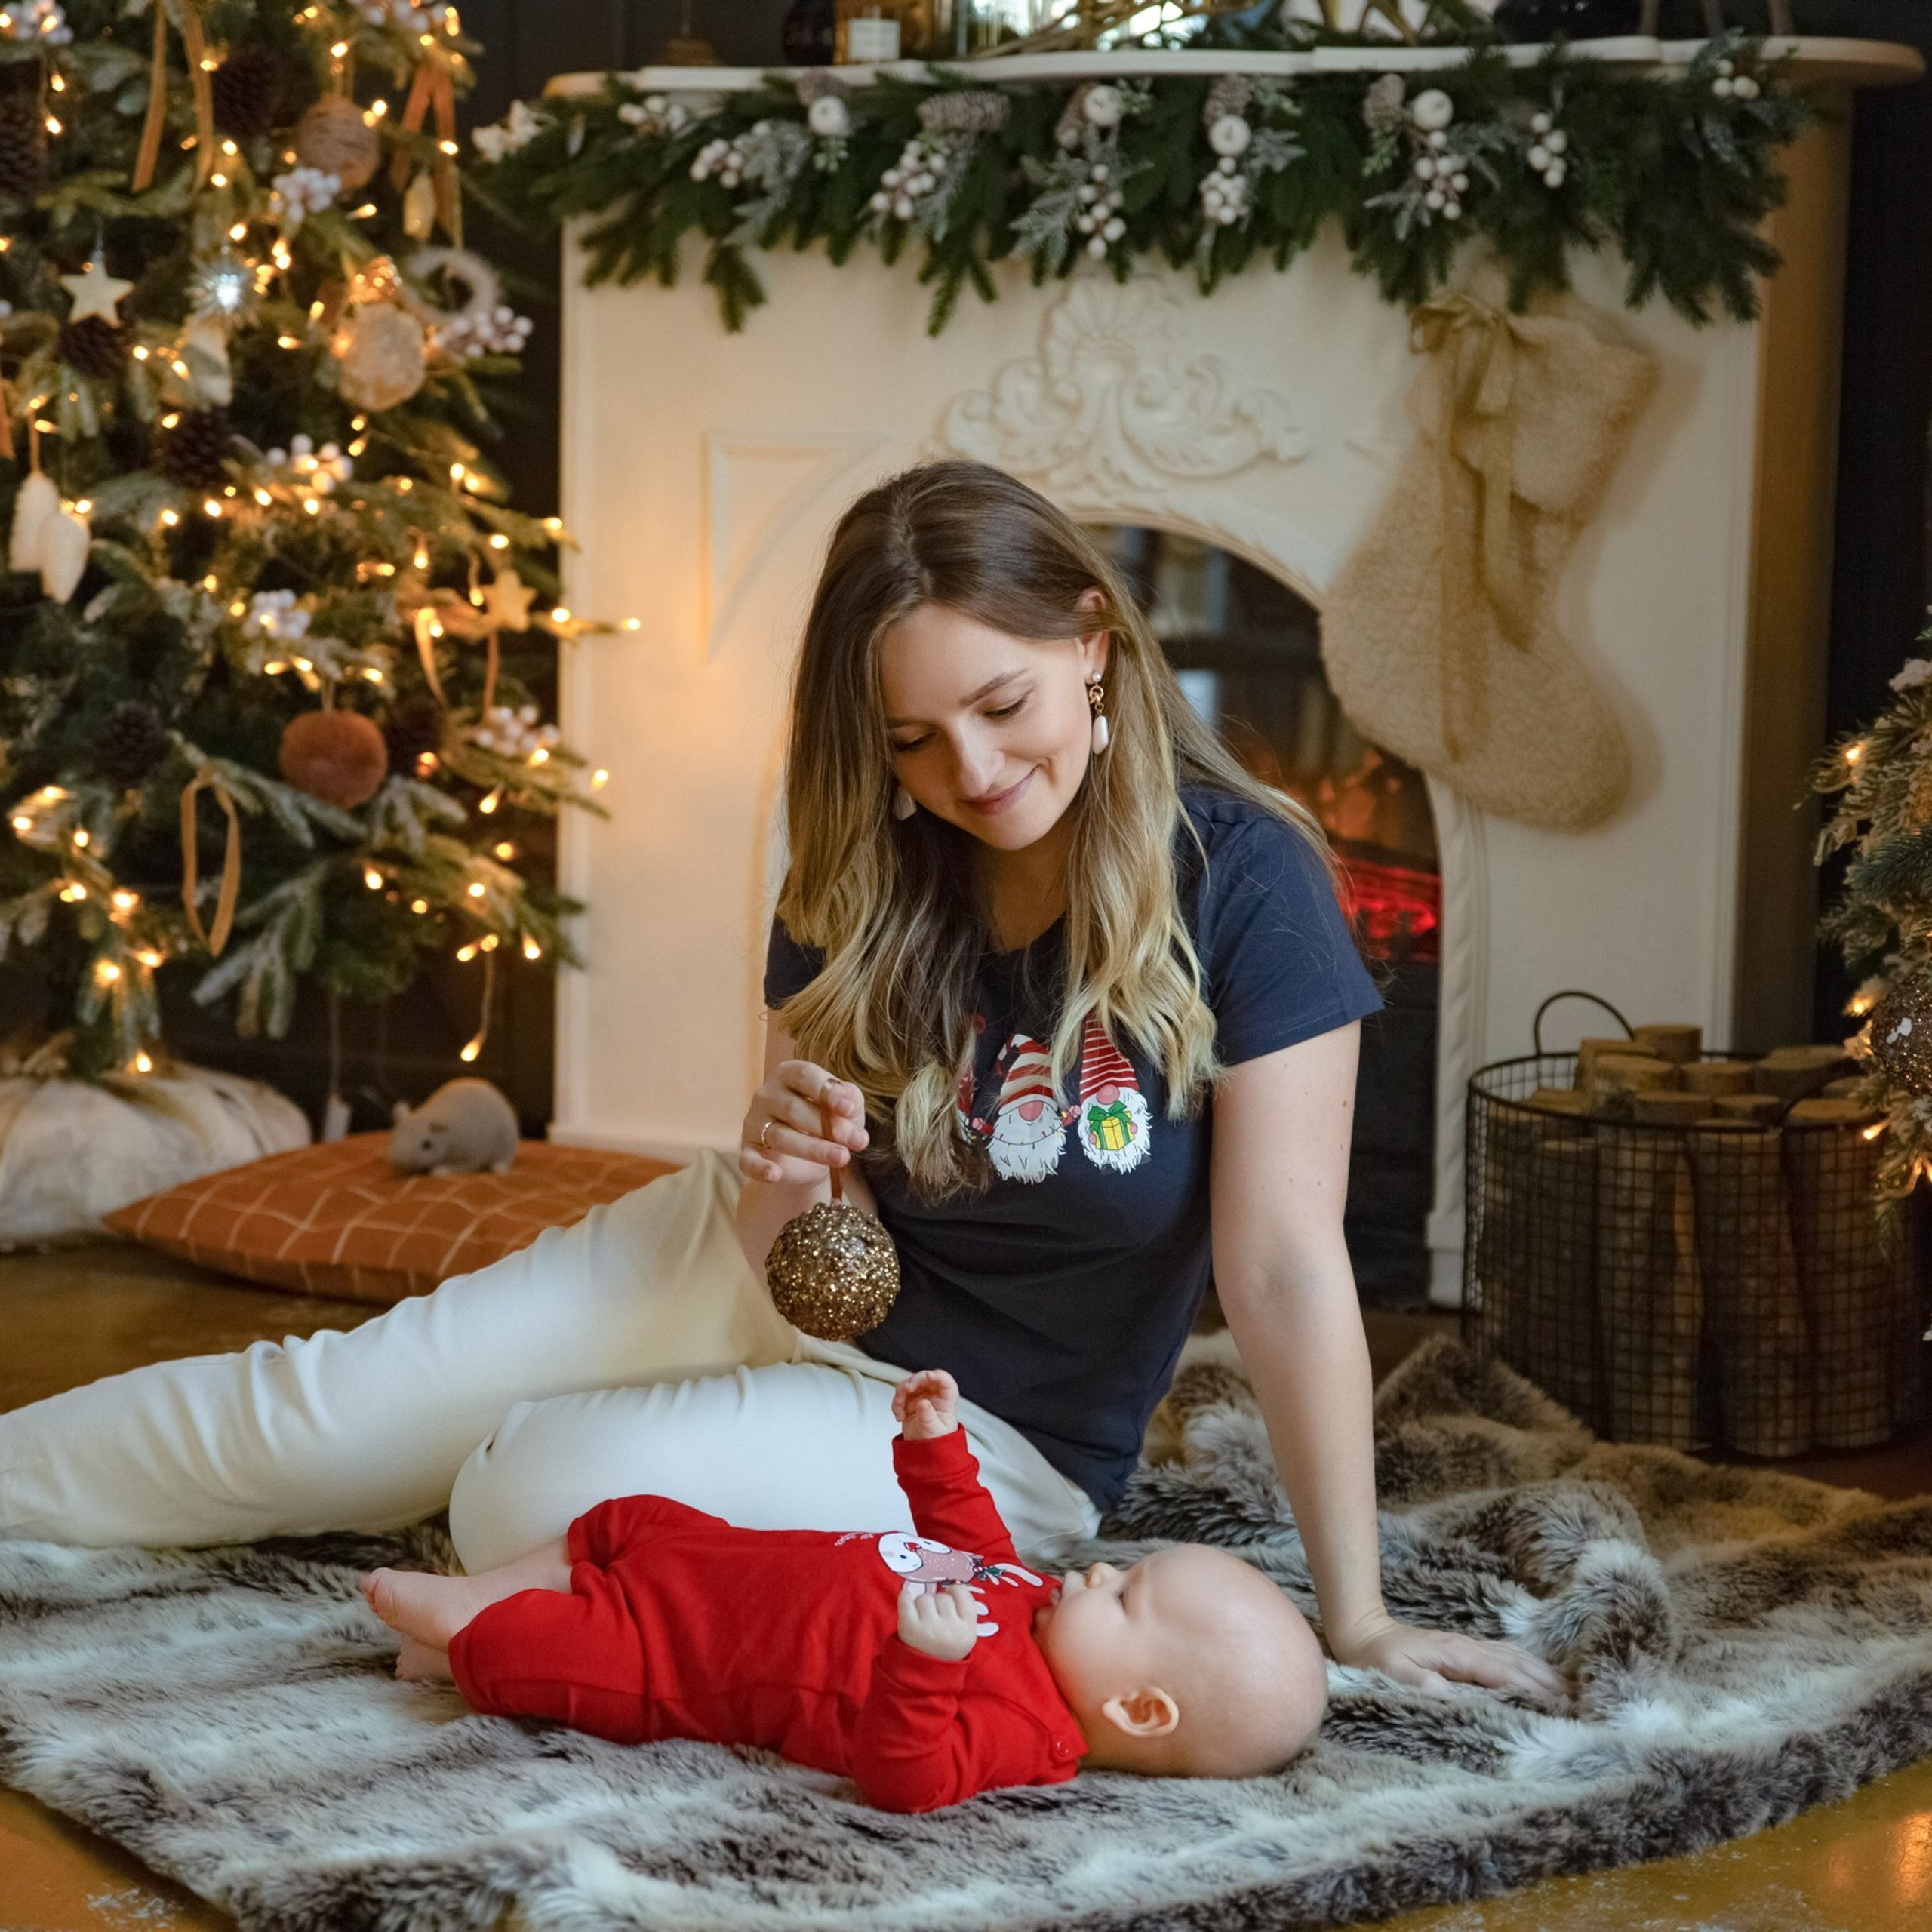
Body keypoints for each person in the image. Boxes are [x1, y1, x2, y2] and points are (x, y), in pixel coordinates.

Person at [0, 459, 1566, 1709]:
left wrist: (1357, 1616)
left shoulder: (1247, 882)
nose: (970, 773)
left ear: (1092, 646)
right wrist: (785, 1171)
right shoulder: (863, 866)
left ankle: (576, 1473)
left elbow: (1281, 1268)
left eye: (1002, 707)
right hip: (747, 1266)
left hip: (981, 1439)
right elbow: (804, 1263)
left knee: (516, 1492)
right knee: (322, 1415)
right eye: (913, 739)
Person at [361, 1369, 1330, 1814]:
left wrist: (928, 1662)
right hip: (735, 1564)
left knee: (559, 1654)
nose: (1104, 1571)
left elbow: (905, 1779)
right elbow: (968, 1539)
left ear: (1137, 1710)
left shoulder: (1026, 1730)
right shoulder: (1036, 1597)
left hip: (695, 1659)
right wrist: (935, 1449)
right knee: (628, 1518)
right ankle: (489, 1590)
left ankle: (461, 1642)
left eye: (1125, 1598)